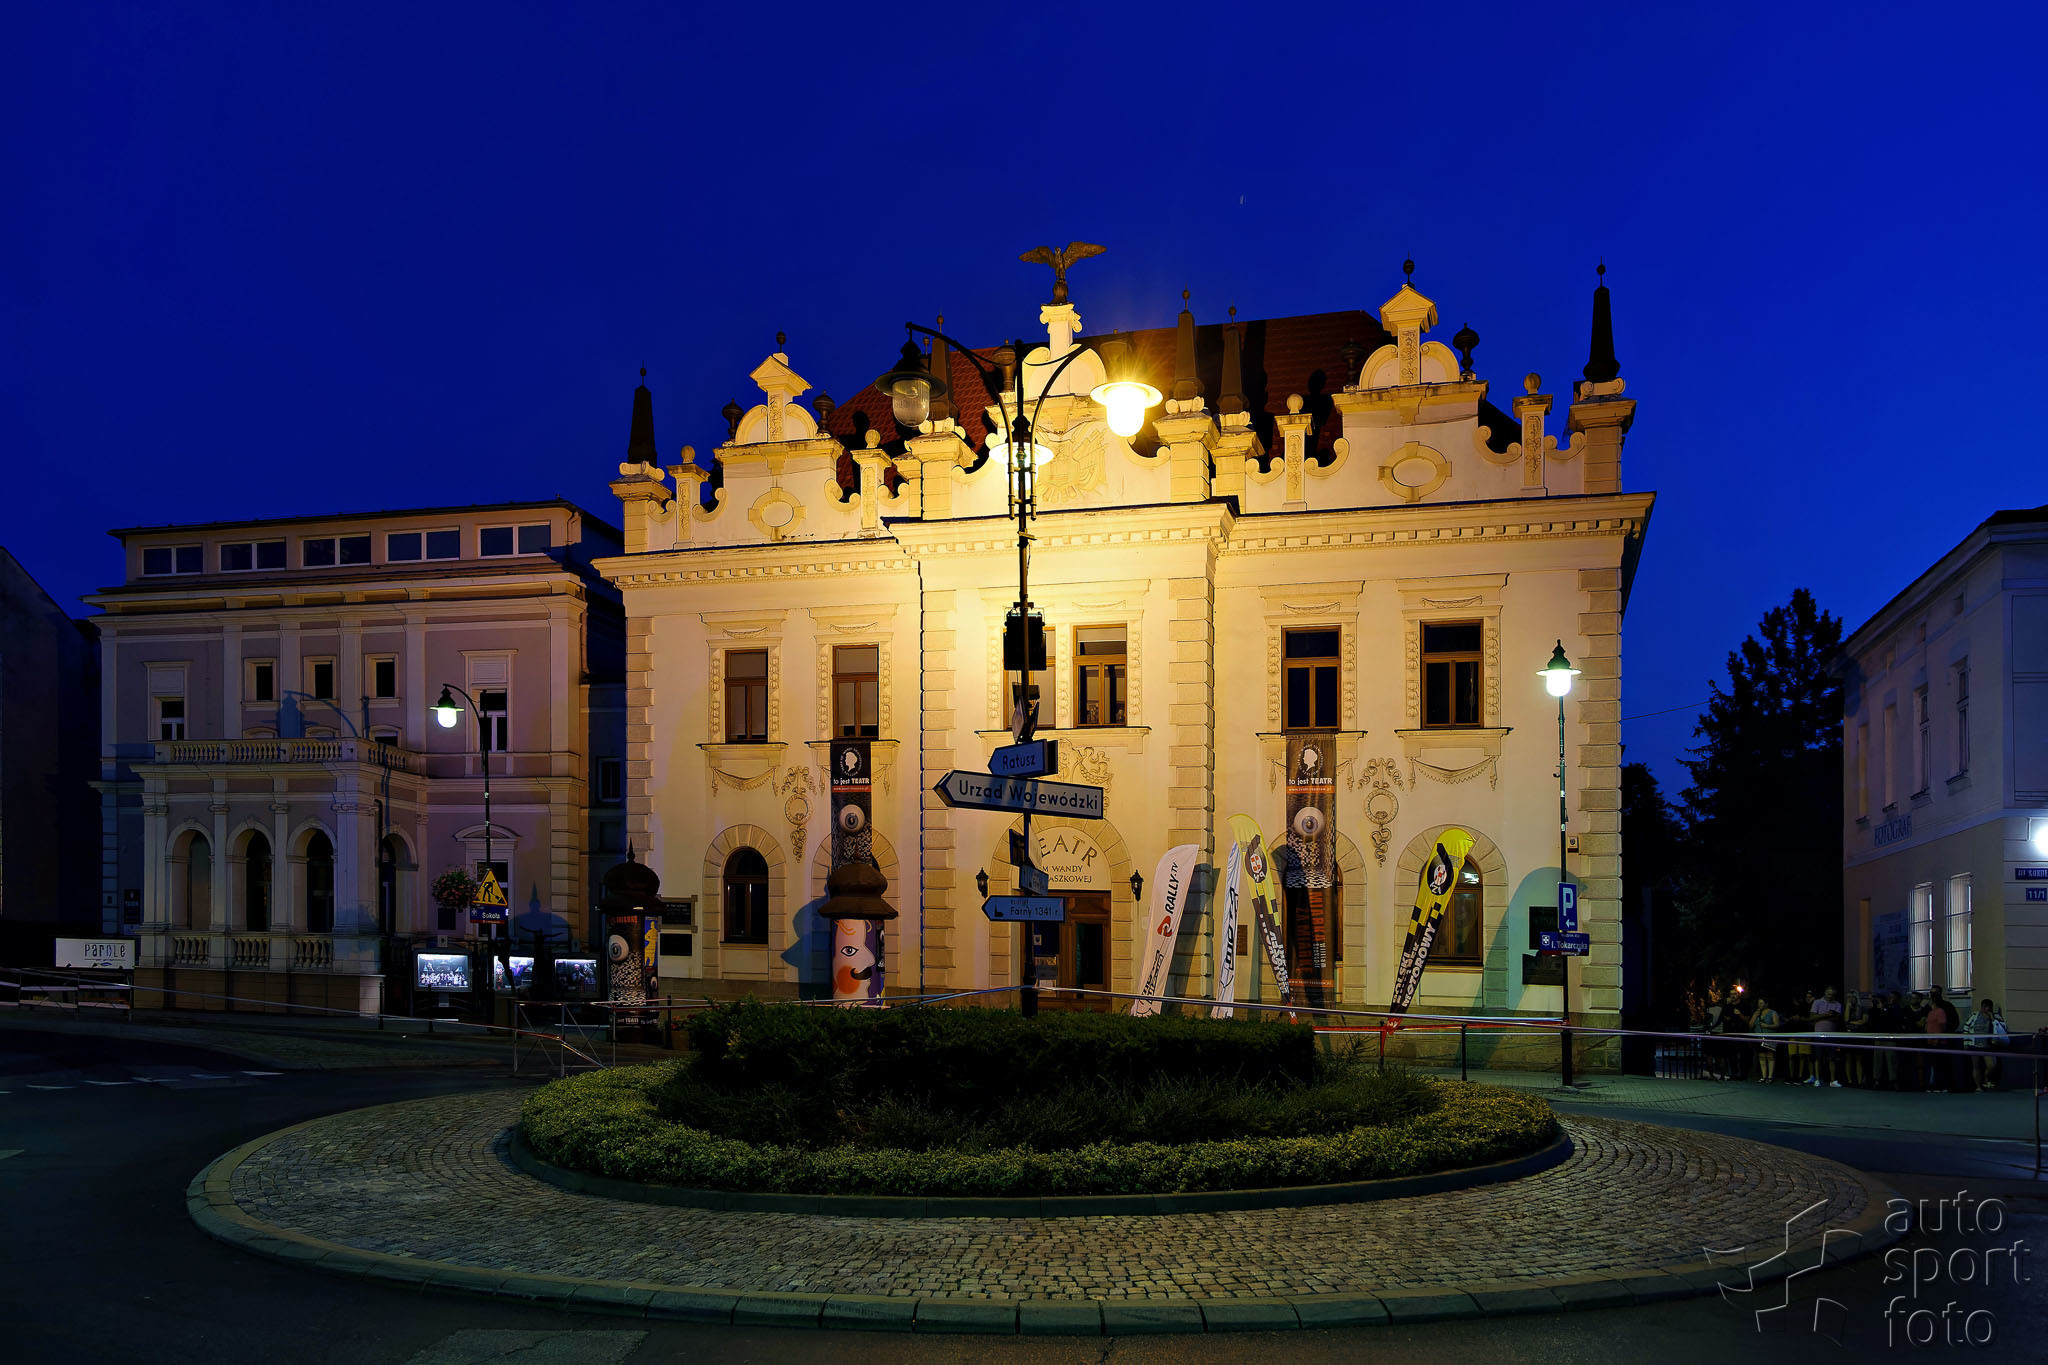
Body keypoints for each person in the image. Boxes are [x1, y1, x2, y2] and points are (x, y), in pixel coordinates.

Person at [1962, 997, 2009, 1091]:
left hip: (1988, 1045)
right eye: (1984, 1006)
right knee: (1976, 1066)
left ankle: (1986, 1078)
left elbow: (2002, 1027)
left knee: (1992, 1065)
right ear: (1982, 1007)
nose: (1986, 1009)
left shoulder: (1996, 1017)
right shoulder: (1974, 1016)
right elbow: (1966, 1027)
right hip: (1974, 1044)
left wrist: (1992, 1019)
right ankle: (1978, 1087)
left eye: (1988, 1007)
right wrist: (1965, 1042)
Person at [1923, 985, 1958, 1092]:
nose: (1933, 996)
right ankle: (1932, 1085)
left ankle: (1943, 1086)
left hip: (1941, 1041)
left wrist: (1941, 1036)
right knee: (1931, 1065)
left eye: (1935, 993)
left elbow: (1949, 1024)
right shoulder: (1928, 1009)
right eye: (1931, 993)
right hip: (1930, 1042)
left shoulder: (1945, 1008)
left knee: (1942, 1065)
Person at [1811, 986, 1845, 1087]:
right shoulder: (1817, 1002)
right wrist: (1826, 1015)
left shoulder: (1837, 1004)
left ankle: (1833, 1080)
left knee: (1832, 1058)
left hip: (1832, 1034)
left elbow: (1837, 1018)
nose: (1830, 996)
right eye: (1829, 994)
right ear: (1825, 993)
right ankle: (1817, 1079)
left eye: (1832, 994)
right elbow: (1812, 1017)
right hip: (1818, 1034)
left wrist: (1823, 1016)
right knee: (1818, 1057)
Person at [1869, 990, 1901, 1090]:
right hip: (1878, 1037)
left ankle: (1893, 1081)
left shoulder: (1893, 1009)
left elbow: (1894, 1020)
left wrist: (1885, 1009)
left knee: (1892, 1060)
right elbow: (1872, 1021)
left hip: (1890, 1038)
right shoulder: (1874, 1010)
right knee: (1877, 1061)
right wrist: (1877, 1008)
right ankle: (1876, 1080)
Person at [1843, 989, 1872, 1086]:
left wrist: (1851, 1022)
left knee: (1858, 1058)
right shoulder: (1846, 1007)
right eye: (1849, 997)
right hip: (1848, 1035)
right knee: (1848, 1058)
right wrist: (1848, 1007)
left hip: (1859, 1035)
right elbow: (1846, 1020)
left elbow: (1863, 1021)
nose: (1851, 999)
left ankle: (1859, 1081)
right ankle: (1849, 1081)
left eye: (1852, 997)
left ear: (1856, 997)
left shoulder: (1863, 1008)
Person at [1753, 997, 1782, 1082]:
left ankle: (1770, 1076)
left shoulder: (1773, 1013)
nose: (1760, 1005)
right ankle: (1763, 1076)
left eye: (1761, 1003)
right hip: (1759, 1038)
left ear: (1766, 1004)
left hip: (1770, 1037)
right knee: (1761, 1056)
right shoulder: (1757, 1013)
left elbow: (1777, 1025)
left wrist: (1767, 1026)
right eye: (1759, 1003)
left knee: (1770, 1056)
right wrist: (1755, 1015)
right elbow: (1751, 1025)